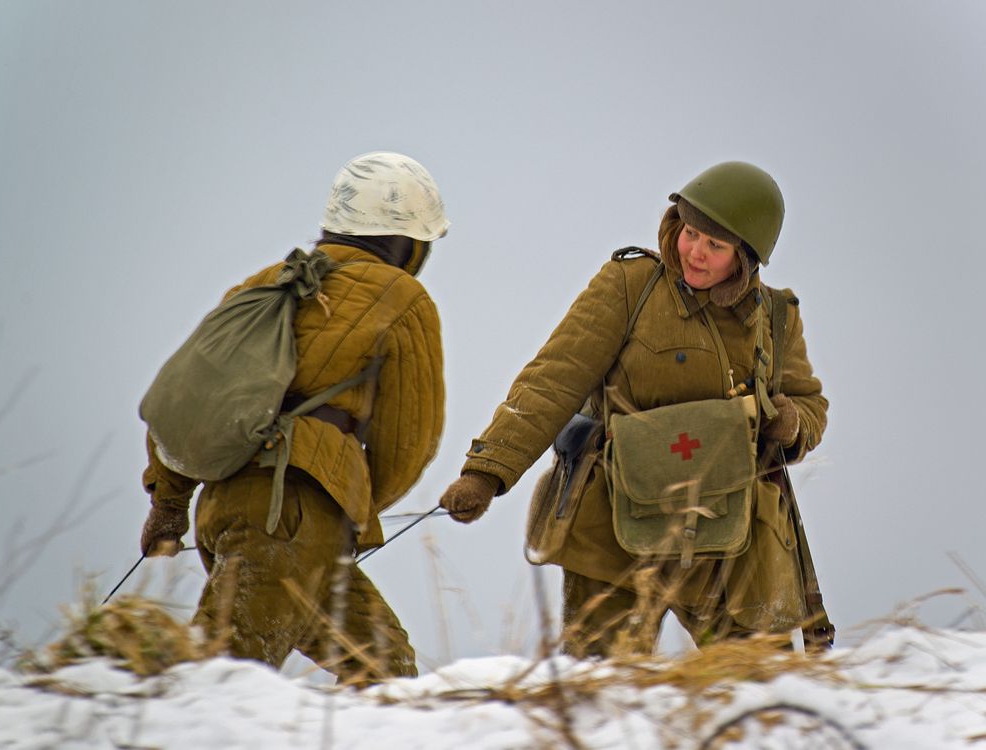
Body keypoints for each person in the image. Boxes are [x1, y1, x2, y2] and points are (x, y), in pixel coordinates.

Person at [439, 161, 828, 657]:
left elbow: (809, 403)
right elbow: (553, 379)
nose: (696, 253)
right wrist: (486, 473)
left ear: (746, 257)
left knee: (757, 697)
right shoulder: (631, 285)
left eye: (716, 245)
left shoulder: (775, 317)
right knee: (603, 692)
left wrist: (791, 422)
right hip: (614, 528)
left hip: (732, 539)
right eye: (690, 234)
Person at [139, 151, 448, 683]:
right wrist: (350, 498)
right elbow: (409, 440)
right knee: (218, 688)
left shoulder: (263, 283)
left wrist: (168, 502)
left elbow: (195, 393)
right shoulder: (403, 297)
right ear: (410, 241)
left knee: (387, 675)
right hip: (294, 519)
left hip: (227, 507)